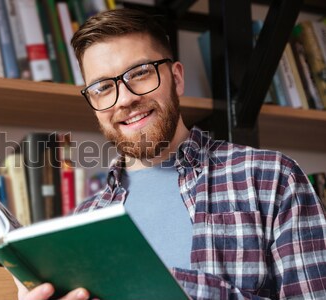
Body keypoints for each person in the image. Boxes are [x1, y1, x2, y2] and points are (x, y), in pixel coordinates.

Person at [16, 8, 326, 299]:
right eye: (102, 88)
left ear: (176, 78)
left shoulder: (272, 179)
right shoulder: (82, 222)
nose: (123, 99)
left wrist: (160, 287)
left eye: (139, 73)